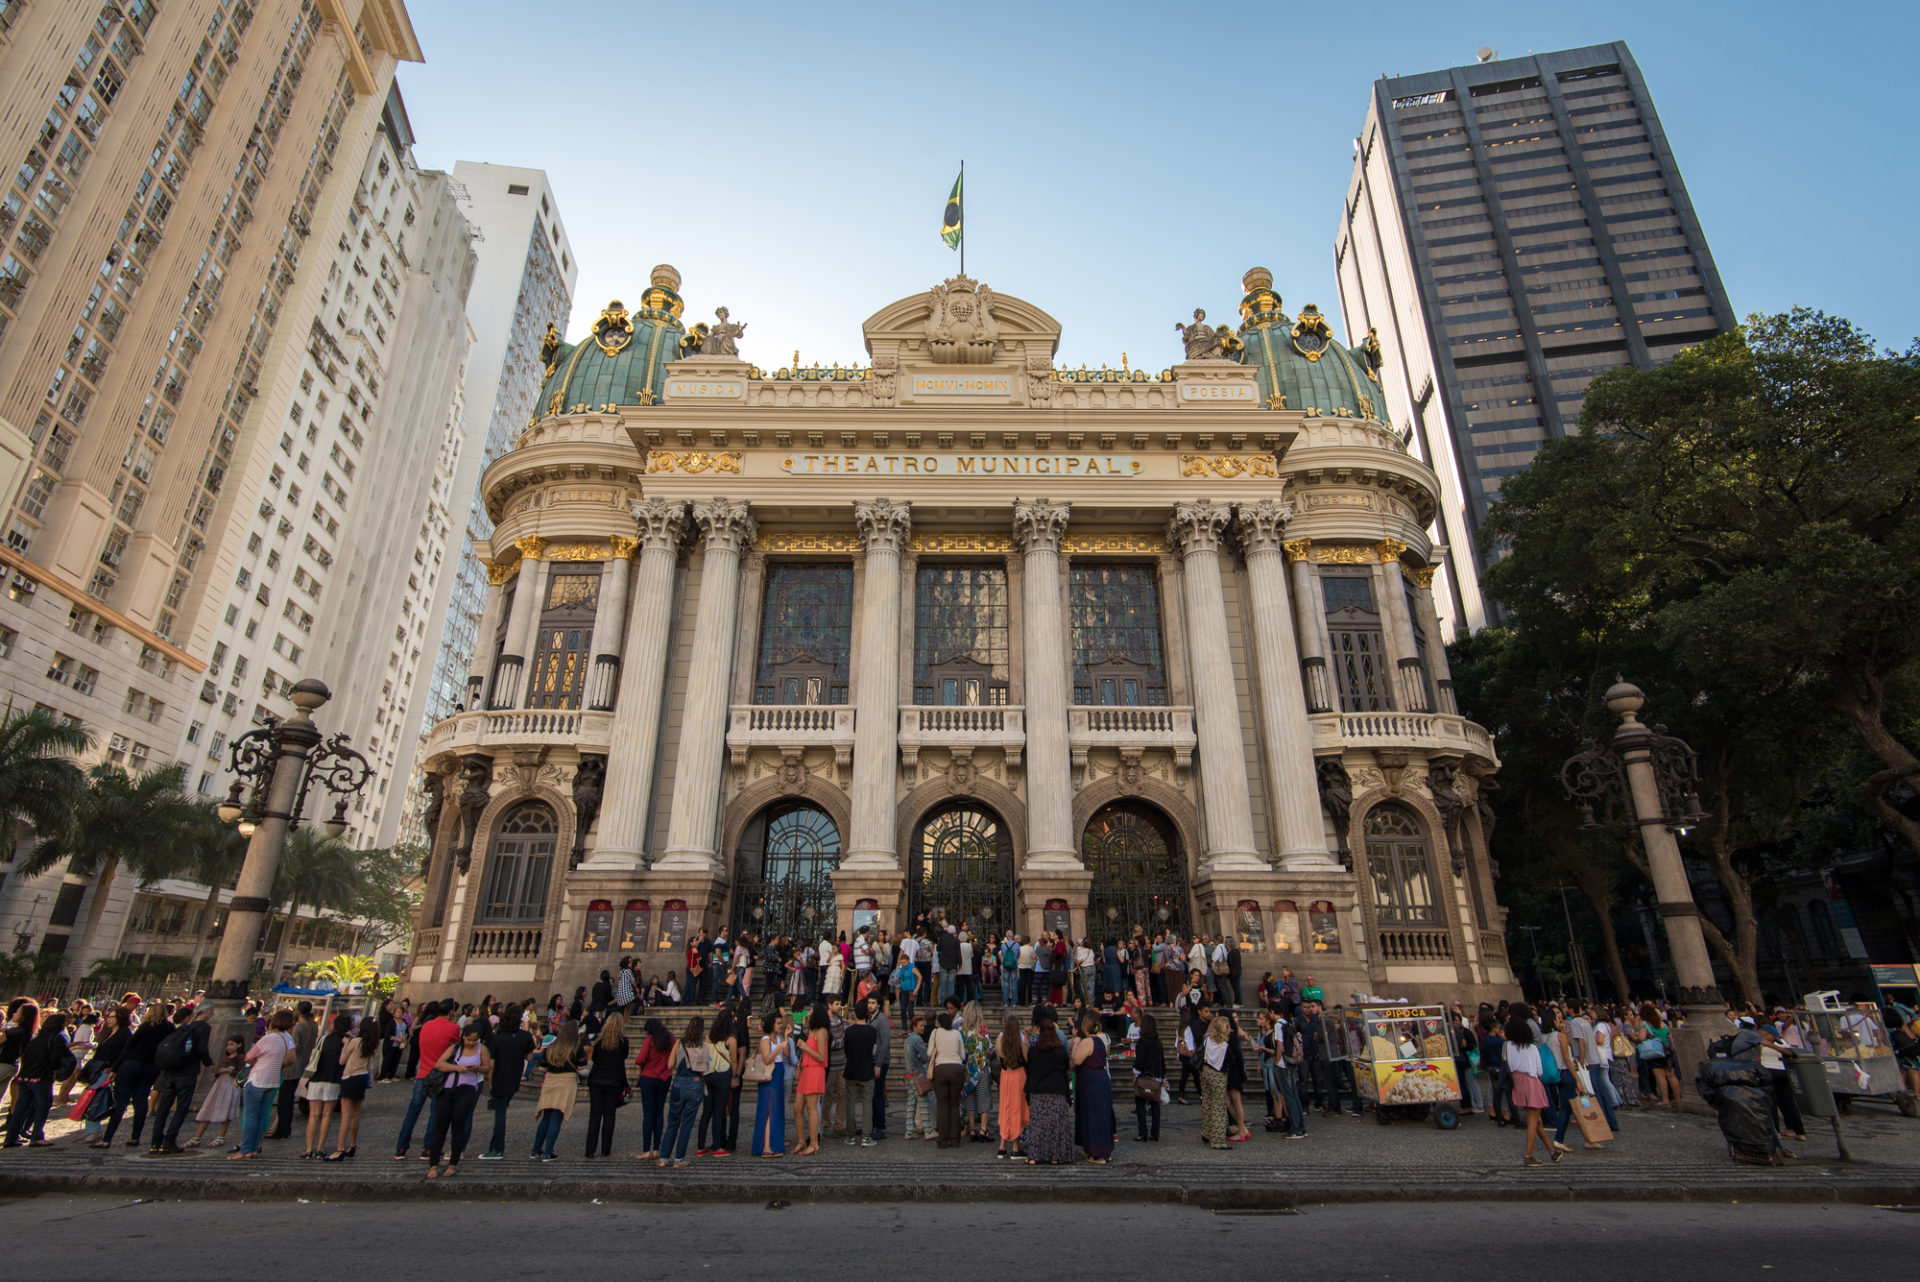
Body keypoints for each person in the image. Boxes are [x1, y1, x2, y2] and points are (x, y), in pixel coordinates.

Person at [393, 1000, 460, 1159]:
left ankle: (401, 1148)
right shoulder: (453, 1028)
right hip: (440, 1075)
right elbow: (455, 1050)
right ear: (451, 1013)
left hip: (422, 1073)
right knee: (435, 1113)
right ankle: (428, 1148)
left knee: (412, 1112)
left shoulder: (426, 1025)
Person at [423, 1020, 489, 1179]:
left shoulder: (482, 1049)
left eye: (475, 1040)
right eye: (469, 1039)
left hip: (467, 1089)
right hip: (446, 1089)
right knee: (440, 1127)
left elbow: (487, 1067)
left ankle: (453, 1163)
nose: (472, 1042)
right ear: (463, 1037)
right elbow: (439, 1064)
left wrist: (477, 1069)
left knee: (458, 1126)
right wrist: (458, 1068)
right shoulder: (455, 1048)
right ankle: (433, 1165)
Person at [147, 1000, 213, 1155]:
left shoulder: (185, 1027)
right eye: (211, 1012)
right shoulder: (203, 1027)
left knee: (164, 1106)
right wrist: (209, 1063)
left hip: (170, 1070)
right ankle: (169, 1142)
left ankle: (155, 1142)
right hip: (187, 1071)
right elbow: (202, 1049)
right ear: (207, 1012)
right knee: (181, 1108)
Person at [100, 1002, 168, 1149]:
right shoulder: (168, 1028)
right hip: (151, 1066)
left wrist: (115, 1068)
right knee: (141, 1101)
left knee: (120, 1102)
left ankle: (107, 1138)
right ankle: (135, 1137)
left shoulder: (145, 1026)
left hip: (131, 1064)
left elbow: (128, 1048)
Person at [231, 1009, 296, 1160]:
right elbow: (291, 1059)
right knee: (262, 1115)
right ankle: (255, 1147)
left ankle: (246, 1149)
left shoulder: (269, 1038)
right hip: (273, 1080)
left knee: (251, 1116)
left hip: (258, 1079)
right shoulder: (287, 1038)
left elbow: (248, 1057)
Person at [2, 1011, 73, 1147]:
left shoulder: (36, 1039)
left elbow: (26, 1056)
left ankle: (10, 1138)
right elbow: (55, 1060)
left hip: (25, 1077)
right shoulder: (57, 1039)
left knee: (20, 1108)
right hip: (41, 1077)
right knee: (43, 1106)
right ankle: (37, 1137)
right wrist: (55, 1071)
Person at [476, 1004, 533, 1161]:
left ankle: (497, 1149)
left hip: (500, 1078)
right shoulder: (525, 1037)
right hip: (514, 1079)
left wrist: (491, 1083)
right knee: (501, 1111)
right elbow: (529, 1058)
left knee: (500, 1116)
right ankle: (495, 1146)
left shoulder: (498, 1038)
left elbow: (492, 1065)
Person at [1504, 1004, 1557, 1168]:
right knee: (1533, 1120)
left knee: (1536, 1120)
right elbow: (1539, 1071)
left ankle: (1552, 1151)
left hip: (1517, 1081)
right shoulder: (1532, 1047)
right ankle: (1529, 1155)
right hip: (1531, 1081)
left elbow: (1508, 1064)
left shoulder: (1507, 1046)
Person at [1023, 1007, 1073, 1164]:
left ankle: (1035, 1155)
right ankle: (1055, 1156)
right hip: (1057, 1089)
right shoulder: (1060, 1050)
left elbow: (1028, 1065)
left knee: (1038, 1124)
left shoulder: (1034, 1050)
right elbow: (1067, 1067)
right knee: (1056, 1125)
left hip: (1038, 1089)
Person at [327, 1013, 379, 1161]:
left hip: (350, 1077)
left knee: (346, 1115)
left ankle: (340, 1148)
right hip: (362, 1077)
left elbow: (342, 1061)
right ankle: (352, 1145)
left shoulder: (355, 1042)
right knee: (356, 1114)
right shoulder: (373, 1043)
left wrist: (345, 1045)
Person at [531, 1020, 586, 1161]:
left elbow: (542, 1068)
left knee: (546, 1116)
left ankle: (535, 1150)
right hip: (566, 1082)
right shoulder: (576, 1047)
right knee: (556, 1116)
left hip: (550, 1080)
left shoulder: (551, 1046)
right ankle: (548, 1153)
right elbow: (582, 1066)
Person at [301, 1012, 350, 1159]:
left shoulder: (323, 1039)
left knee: (313, 1114)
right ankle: (320, 1147)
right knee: (327, 1114)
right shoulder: (345, 1042)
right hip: (333, 1079)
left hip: (317, 1077)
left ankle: (308, 1148)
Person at [581, 1011, 628, 1159]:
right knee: (609, 1115)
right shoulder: (623, 1042)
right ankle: (605, 1149)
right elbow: (623, 1058)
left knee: (594, 1115)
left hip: (597, 1080)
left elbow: (594, 1058)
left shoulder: (599, 1041)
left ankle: (590, 1149)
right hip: (613, 1081)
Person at [271, 1000, 319, 1141]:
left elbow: (295, 1046)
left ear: (298, 1011)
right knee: (290, 1098)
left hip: (292, 1067)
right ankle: (284, 1127)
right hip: (304, 1063)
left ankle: (283, 1129)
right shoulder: (313, 1025)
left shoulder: (299, 1027)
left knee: (285, 1099)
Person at [1070, 1012, 1115, 1163]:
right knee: (1101, 1114)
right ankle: (1104, 1150)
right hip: (1100, 1079)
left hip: (1091, 1082)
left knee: (1093, 1116)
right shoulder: (1101, 1040)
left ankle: (1097, 1152)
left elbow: (1076, 1060)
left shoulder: (1087, 1042)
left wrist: (1076, 1044)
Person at [189, 1037, 245, 1149]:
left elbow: (241, 1073)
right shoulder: (226, 1058)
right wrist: (217, 1071)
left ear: (239, 1045)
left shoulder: (240, 1058)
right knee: (209, 1107)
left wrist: (229, 1071)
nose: (228, 1047)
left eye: (231, 1044)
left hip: (230, 1085)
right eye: (228, 1044)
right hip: (220, 1084)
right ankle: (196, 1137)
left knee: (226, 1110)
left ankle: (220, 1137)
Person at [697, 1006, 736, 1156]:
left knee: (706, 1112)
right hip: (722, 1074)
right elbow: (733, 1059)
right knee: (719, 1111)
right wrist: (734, 1076)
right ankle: (717, 1145)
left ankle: (700, 1145)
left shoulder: (709, 1036)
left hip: (708, 1074)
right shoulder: (731, 1038)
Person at [927, 1010, 967, 1148]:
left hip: (940, 1070)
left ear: (939, 1023)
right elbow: (962, 1055)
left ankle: (943, 1139)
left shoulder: (935, 1033)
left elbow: (929, 1052)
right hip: (956, 1069)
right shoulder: (956, 1033)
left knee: (942, 1105)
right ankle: (955, 1139)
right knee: (954, 1105)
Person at [842, 998, 879, 1146]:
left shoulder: (849, 1031)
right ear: (867, 1014)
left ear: (855, 1014)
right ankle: (866, 1135)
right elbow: (874, 1051)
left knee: (850, 1103)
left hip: (851, 1068)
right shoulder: (872, 1031)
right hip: (867, 1069)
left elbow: (846, 1050)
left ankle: (850, 1135)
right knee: (867, 1103)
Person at [751, 1012, 788, 1157]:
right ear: (771, 1024)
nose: (781, 1025)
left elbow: (786, 1053)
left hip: (779, 1072)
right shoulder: (765, 1040)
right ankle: (766, 1146)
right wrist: (779, 1047)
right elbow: (767, 1059)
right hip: (770, 1073)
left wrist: (785, 1039)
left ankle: (773, 1144)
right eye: (778, 1023)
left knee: (776, 1109)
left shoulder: (778, 1038)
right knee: (768, 1110)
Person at [793, 1005, 828, 1156]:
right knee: (797, 1107)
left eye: (812, 1011)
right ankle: (802, 1140)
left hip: (815, 1070)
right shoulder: (812, 1030)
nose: (809, 1013)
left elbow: (821, 1056)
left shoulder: (821, 1032)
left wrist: (806, 1048)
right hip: (806, 1070)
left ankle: (814, 1143)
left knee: (811, 1108)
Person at [1132, 1010, 1166, 1142]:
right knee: (1155, 1104)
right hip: (1156, 1077)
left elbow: (1139, 1060)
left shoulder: (1143, 1041)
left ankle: (1143, 1132)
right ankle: (1155, 1132)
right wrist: (1163, 1076)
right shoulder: (1157, 1042)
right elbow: (1162, 1061)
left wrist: (1135, 1074)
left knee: (1140, 1103)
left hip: (1144, 1077)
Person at [1200, 1015, 1232, 1149]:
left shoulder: (1207, 1040)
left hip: (1205, 1071)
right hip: (1218, 1074)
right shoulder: (1225, 1046)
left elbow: (1206, 1035)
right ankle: (1218, 1140)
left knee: (1207, 1102)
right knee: (1219, 1106)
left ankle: (1206, 1132)